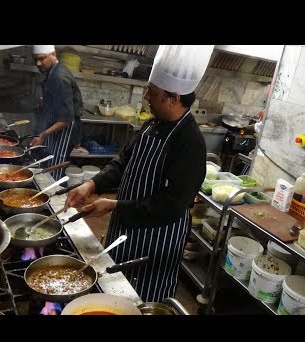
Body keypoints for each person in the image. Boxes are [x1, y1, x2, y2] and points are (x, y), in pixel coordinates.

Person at [65, 45, 214, 303]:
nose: (146, 96)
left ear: (174, 98)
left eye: (152, 93)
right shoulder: (153, 123)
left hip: (155, 241)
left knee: (141, 302)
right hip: (126, 225)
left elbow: (171, 205)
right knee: (112, 289)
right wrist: (92, 184)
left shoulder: (189, 141)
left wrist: (114, 205)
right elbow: (124, 162)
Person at [30, 45, 84, 180]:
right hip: (56, 128)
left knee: (55, 167)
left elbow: (65, 120)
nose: (38, 63)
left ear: (53, 54)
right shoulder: (52, 72)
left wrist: (43, 134)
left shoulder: (59, 77)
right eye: (35, 59)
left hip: (64, 130)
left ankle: (53, 195)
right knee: (48, 161)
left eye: (42, 58)